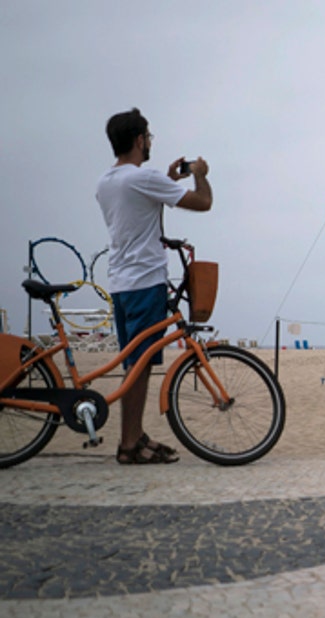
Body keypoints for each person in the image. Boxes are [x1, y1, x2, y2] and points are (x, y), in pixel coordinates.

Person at [96, 108, 212, 464]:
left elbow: (144, 202)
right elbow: (203, 203)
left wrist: (168, 179)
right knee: (141, 365)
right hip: (146, 281)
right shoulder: (141, 178)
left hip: (120, 283)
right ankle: (129, 445)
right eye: (148, 137)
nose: (150, 142)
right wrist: (201, 175)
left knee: (135, 363)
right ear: (138, 140)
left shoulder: (107, 182)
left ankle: (134, 436)